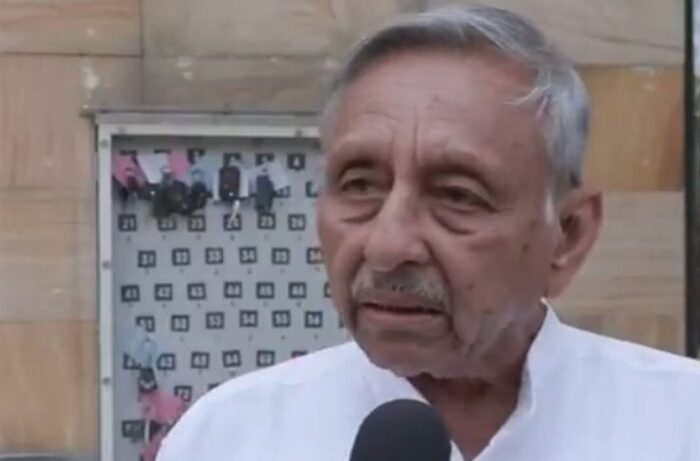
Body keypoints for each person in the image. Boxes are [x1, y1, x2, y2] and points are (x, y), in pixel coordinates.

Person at [156, 6, 700, 461]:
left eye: (458, 195)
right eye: (359, 184)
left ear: (569, 235)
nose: (387, 247)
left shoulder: (681, 425)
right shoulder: (228, 438)